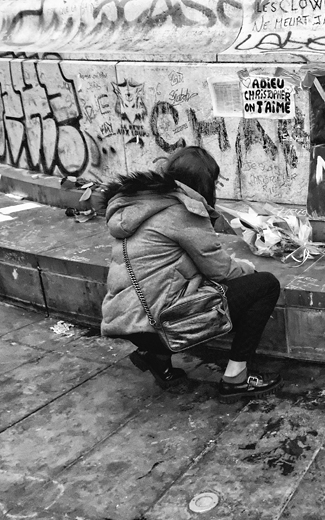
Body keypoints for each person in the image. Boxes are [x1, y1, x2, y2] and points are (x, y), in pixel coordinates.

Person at [100, 146, 282, 402]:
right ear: (205, 182)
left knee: (186, 286)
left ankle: (157, 358)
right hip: (161, 326)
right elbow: (221, 269)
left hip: (124, 321)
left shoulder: (142, 204)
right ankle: (236, 376)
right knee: (264, 285)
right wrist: (249, 267)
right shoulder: (185, 209)